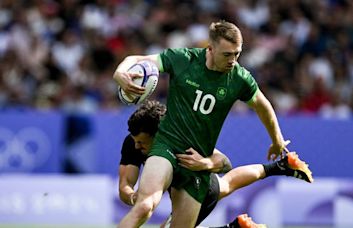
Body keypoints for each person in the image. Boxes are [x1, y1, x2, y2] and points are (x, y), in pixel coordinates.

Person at [114, 20, 293, 227]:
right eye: (227, 54)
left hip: (196, 163)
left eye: (237, 54)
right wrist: (120, 73)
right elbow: (135, 59)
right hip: (167, 147)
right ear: (210, 48)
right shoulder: (183, 60)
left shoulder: (240, 79)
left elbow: (263, 106)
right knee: (146, 206)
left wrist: (277, 140)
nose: (233, 60)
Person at [119, 100, 313, 228]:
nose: (137, 146)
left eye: (142, 142)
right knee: (227, 184)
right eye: (135, 140)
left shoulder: (182, 137)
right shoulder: (132, 143)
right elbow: (125, 185)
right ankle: (280, 166)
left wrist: (203, 163)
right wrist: (132, 196)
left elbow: (225, 162)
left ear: (158, 135)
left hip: (197, 189)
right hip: (195, 187)